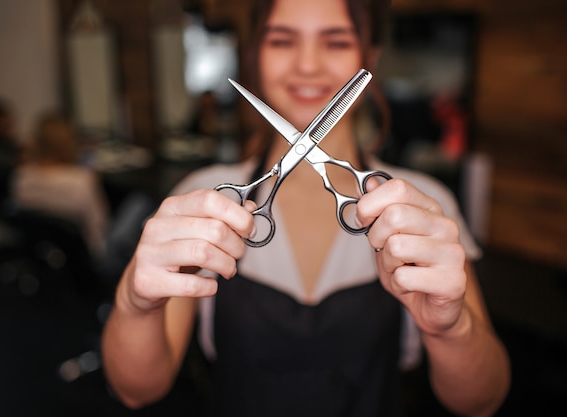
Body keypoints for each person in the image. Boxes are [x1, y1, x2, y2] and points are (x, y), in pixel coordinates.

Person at [101, 0, 511, 416]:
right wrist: (135, 305)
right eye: (282, 41)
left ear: (369, 57)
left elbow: (482, 402)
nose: (308, 66)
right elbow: (136, 390)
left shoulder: (419, 206)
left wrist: (451, 329)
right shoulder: (207, 199)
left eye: (335, 42)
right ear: (256, 55)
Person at [11, 111, 110, 259]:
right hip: (91, 258)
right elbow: (101, 228)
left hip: (46, 254)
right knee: (141, 203)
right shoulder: (81, 181)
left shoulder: (21, 177)